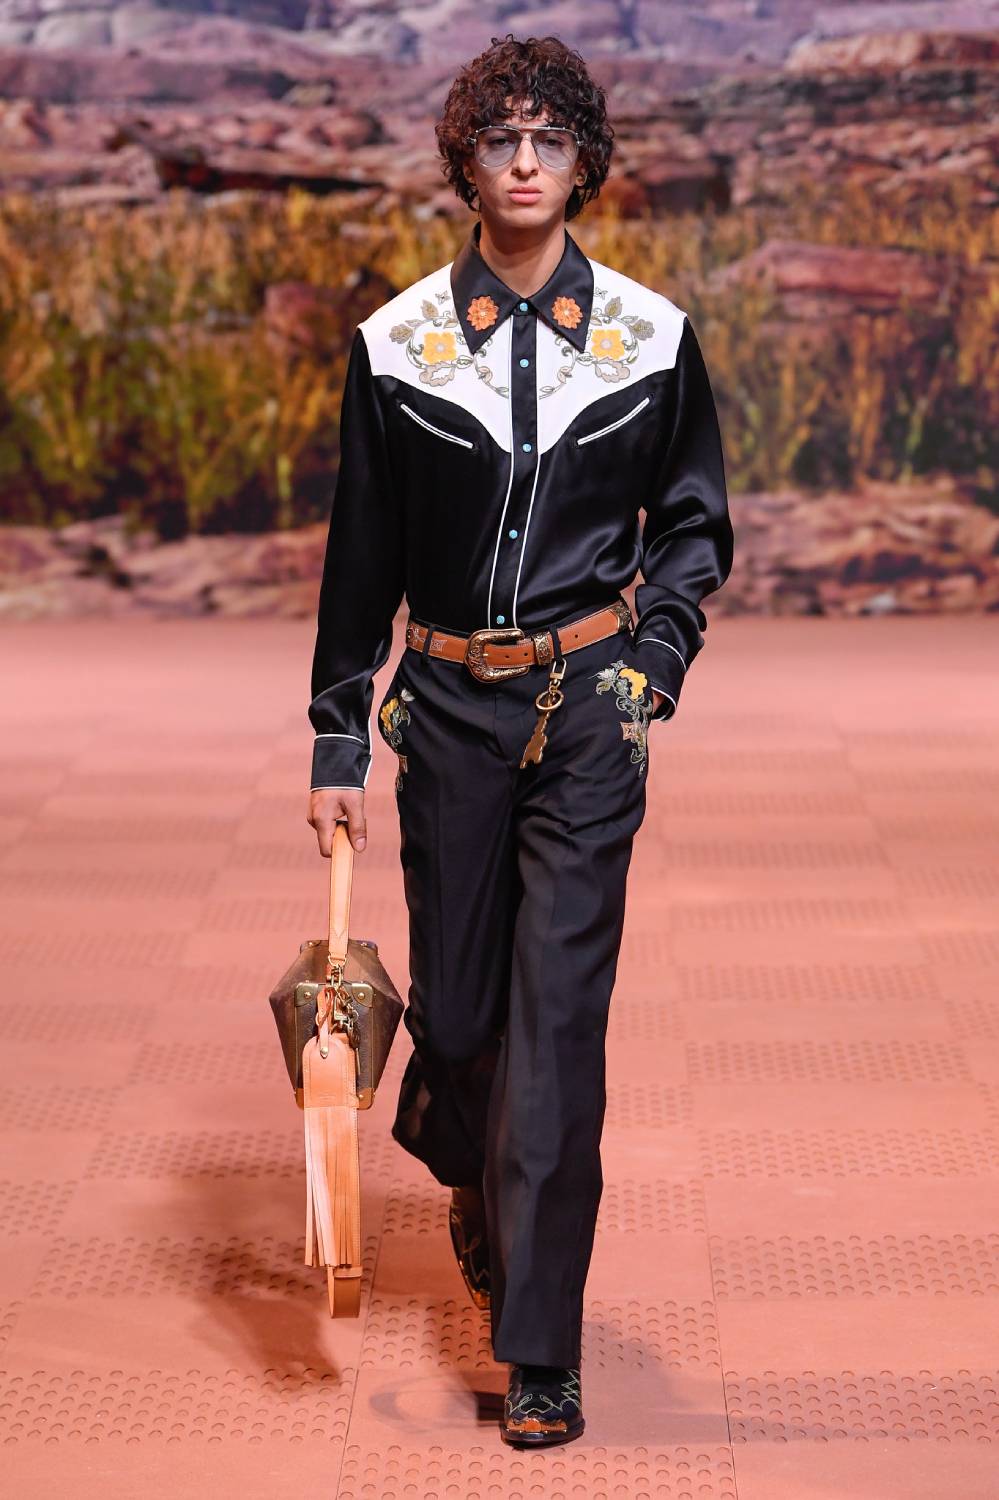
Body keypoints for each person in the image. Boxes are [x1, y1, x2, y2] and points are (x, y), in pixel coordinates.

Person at [306, 32, 734, 1447]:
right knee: (462, 1024)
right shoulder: (399, 346)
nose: (529, 163)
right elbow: (359, 559)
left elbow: (693, 521)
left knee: (557, 1026)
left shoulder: (653, 339)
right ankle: (473, 1177)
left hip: (591, 713)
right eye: (503, 140)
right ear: (468, 163)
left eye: (553, 140)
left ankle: (541, 1346)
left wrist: (653, 663)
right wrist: (337, 741)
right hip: (447, 714)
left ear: (586, 163)